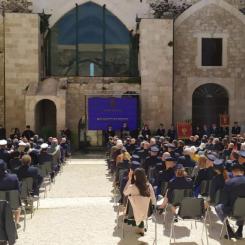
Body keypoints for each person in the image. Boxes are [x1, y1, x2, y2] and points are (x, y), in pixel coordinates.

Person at [215, 163, 245, 239]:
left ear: (233, 172)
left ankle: (229, 230)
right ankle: (239, 230)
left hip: (232, 211)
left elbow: (225, 201)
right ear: (243, 172)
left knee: (218, 207)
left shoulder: (229, 182)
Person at [123, 168, 156, 236]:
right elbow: (153, 200)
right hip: (147, 212)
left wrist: (129, 180)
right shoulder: (149, 186)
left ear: (135, 177)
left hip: (133, 212)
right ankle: (140, 226)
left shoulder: (132, 187)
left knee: (133, 204)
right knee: (141, 207)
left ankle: (137, 224)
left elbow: (125, 193)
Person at [0, 159, 21, 227]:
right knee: (18, 206)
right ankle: (16, 222)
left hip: (0, 204)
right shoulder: (14, 177)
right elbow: (18, 191)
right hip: (13, 204)